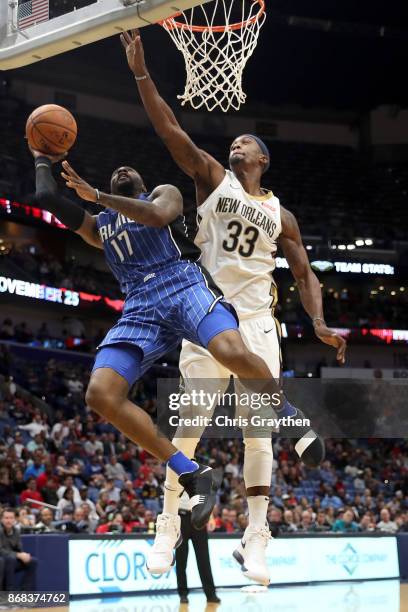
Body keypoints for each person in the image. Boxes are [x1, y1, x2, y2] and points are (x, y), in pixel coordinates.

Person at [121, 29, 347, 584]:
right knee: (189, 433)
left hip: (259, 323)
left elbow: (303, 272)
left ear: (262, 157)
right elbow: (170, 129)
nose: (236, 146)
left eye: (246, 142)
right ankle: (168, 522)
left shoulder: (281, 215)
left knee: (257, 433)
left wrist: (317, 322)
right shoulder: (210, 179)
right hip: (206, 315)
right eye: (235, 143)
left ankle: (256, 534)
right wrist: (143, 74)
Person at [32, 141, 302, 531]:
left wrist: (98, 194)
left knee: (229, 349)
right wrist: (42, 157)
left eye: (129, 170)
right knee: (100, 395)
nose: (122, 171)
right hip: (139, 306)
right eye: (115, 172)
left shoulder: (163, 194)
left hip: (181, 284)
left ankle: (288, 414)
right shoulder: (99, 227)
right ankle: (191, 472)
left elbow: (159, 217)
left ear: (142, 183)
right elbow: (45, 196)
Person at [175, 492, 220, 605]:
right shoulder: (175, 474)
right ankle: (183, 594)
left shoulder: (202, 474)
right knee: (181, 559)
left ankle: (210, 594)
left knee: (204, 559)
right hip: (180, 517)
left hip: (199, 516)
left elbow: (206, 495)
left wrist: (210, 517)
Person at [0, 508, 37, 590]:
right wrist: (17, 555)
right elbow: (1, 550)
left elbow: (19, 548)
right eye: (6, 518)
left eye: (11, 518)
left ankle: (24, 591)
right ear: (1, 519)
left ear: (15, 519)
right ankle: (9, 592)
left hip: (11, 559)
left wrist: (24, 555)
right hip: (3, 560)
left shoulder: (16, 531)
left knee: (33, 561)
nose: (8, 520)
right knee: (10, 559)